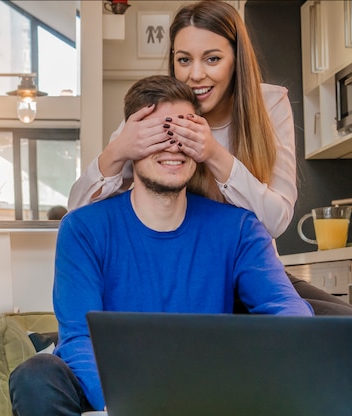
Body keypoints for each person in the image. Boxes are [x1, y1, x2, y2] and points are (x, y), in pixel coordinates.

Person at [8, 75, 314, 416]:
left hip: (203, 386)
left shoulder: (239, 228)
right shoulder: (83, 228)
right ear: (129, 143)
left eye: (183, 134)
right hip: (113, 388)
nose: (171, 147)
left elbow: (289, 311)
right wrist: (121, 406)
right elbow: (79, 337)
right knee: (36, 376)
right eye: (156, 135)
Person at [68, 0, 352, 316]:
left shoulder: (269, 105)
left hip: (253, 271)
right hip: (190, 276)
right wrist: (117, 151)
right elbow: (79, 213)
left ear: (236, 60)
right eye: (184, 60)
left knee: (338, 326)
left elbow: (276, 220)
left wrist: (215, 155)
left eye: (213, 59)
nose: (196, 75)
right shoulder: (154, 112)